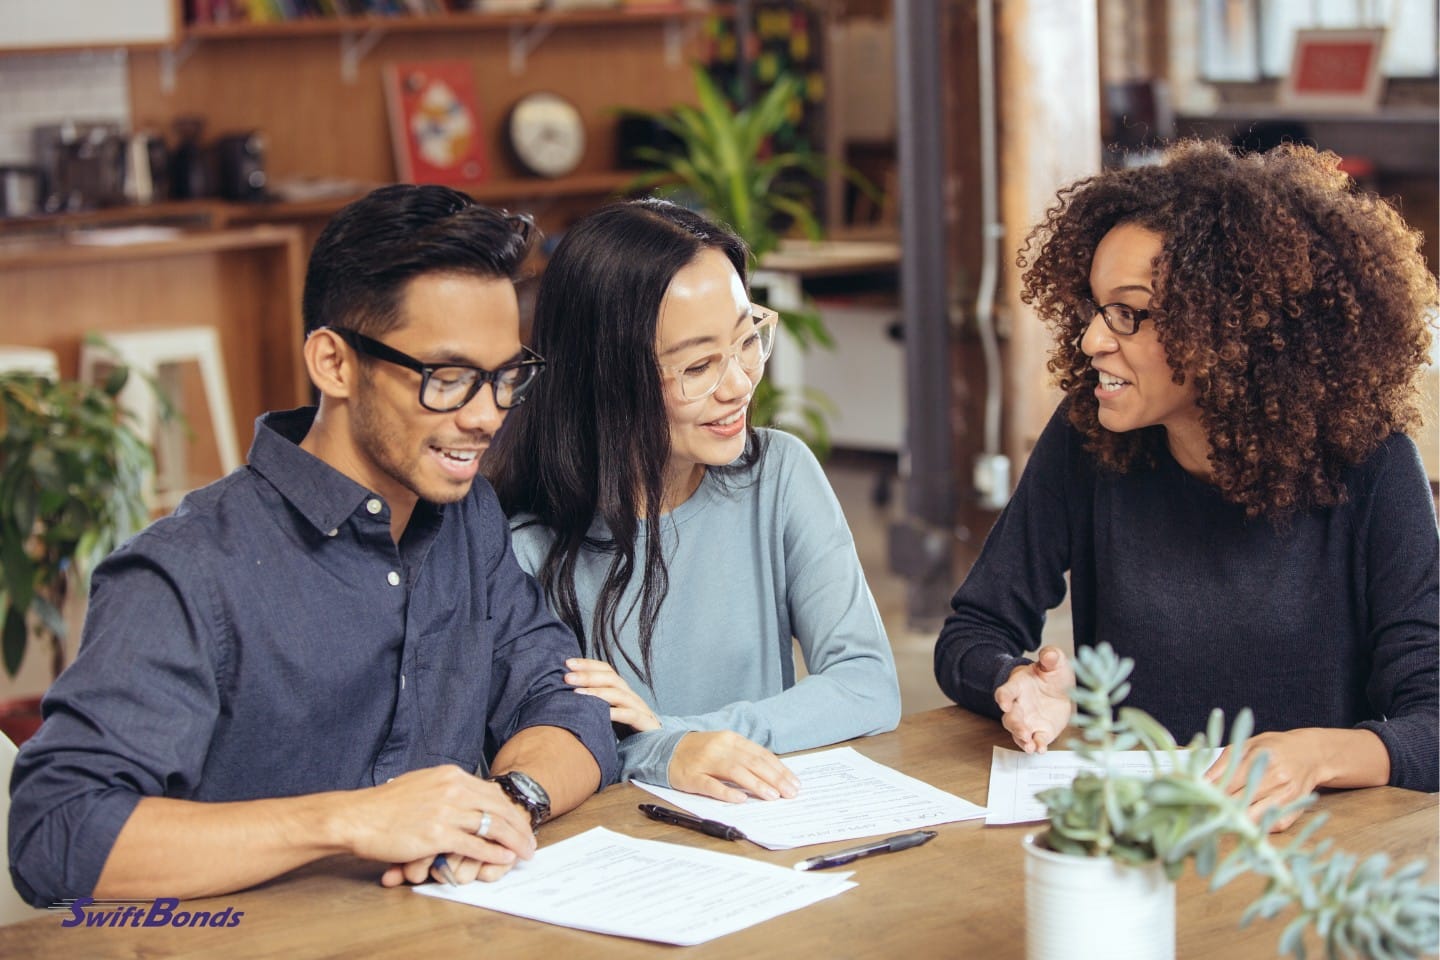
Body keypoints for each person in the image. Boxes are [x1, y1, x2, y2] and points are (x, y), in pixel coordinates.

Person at [8, 184, 619, 907]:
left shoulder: (466, 517)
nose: (487, 417)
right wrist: (350, 821)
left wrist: (507, 803)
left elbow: (568, 704)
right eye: (448, 379)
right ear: (334, 363)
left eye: (505, 378)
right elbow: (58, 833)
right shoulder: (188, 570)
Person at [934, 140, 1439, 826]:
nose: (1090, 342)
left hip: (1307, 858)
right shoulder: (1089, 438)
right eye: (1093, 307)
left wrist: (1318, 755)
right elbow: (974, 630)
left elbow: (1433, 720)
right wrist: (1016, 682)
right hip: (1138, 838)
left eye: (1129, 314)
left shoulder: (1371, 466)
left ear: (1230, 330)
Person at [485, 198, 901, 803]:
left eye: (746, 341)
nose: (738, 384)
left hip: (765, 829)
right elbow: (529, 755)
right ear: (605, 378)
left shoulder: (778, 475)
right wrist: (662, 752)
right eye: (700, 365)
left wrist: (675, 738)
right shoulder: (521, 544)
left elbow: (867, 685)